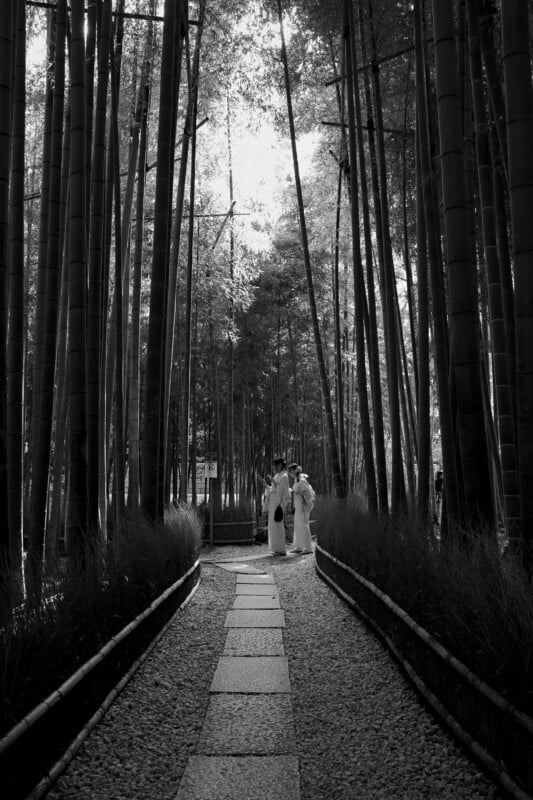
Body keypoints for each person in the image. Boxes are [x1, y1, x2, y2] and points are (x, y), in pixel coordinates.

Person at [264, 457, 290, 555]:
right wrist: (266, 485)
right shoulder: (277, 475)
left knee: (278, 524)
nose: (275, 467)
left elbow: (282, 490)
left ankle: (281, 549)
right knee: (272, 525)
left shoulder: (284, 476)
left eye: (276, 465)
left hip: (278, 502)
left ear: (280, 465)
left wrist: (273, 482)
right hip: (273, 501)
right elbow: (273, 488)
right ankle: (275, 548)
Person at [288, 463, 314, 554]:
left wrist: (299, 494)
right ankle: (299, 546)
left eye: (291, 471)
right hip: (298, 505)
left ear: (295, 471)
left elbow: (307, 493)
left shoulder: (302, 480)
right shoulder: (296, 480)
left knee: (304, 525)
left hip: (303, 506)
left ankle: (308, 548)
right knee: (298, 524)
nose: (290, 473)